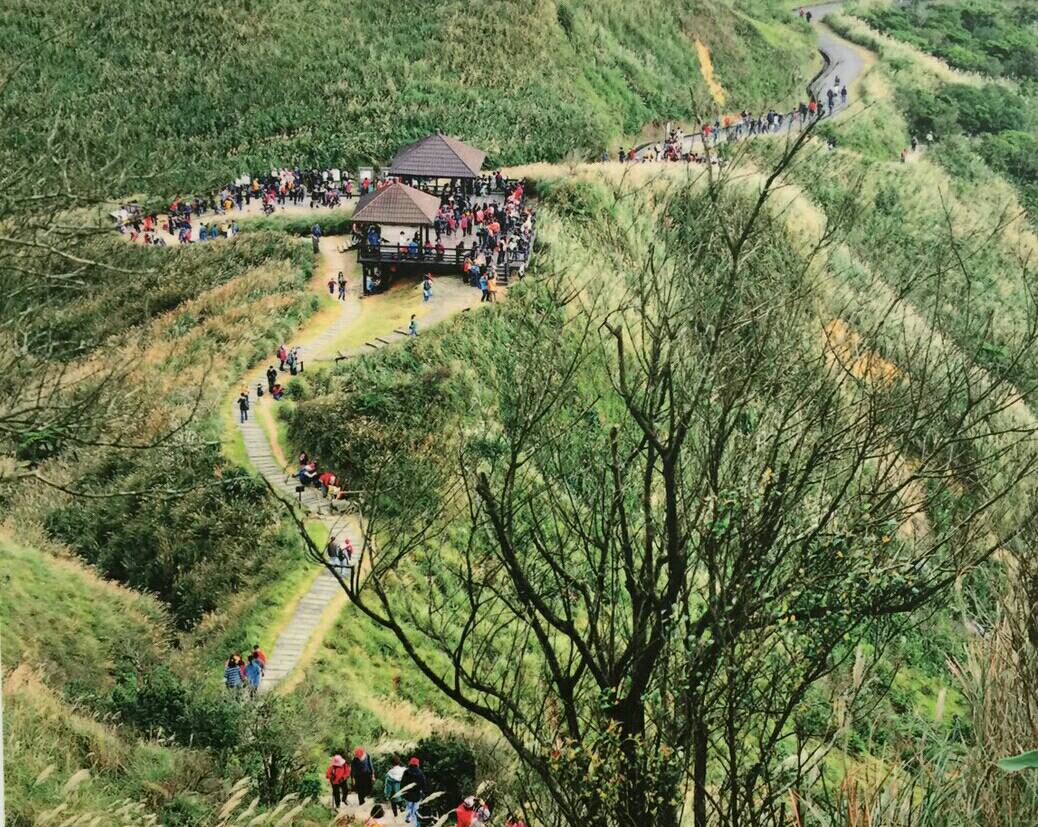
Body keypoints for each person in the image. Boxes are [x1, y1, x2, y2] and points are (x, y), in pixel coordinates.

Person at [401, 757, 425, 824]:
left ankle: (408, 817)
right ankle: (414, 818)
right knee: (415, 806)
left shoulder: (406, 772)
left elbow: (403, 782)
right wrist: (423, 791)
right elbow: (423, 783)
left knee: (409, 805)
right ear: (417, 764)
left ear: (410, 763)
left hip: (408, 793)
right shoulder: (420, 772)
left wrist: (402, 792)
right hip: (417, 793)